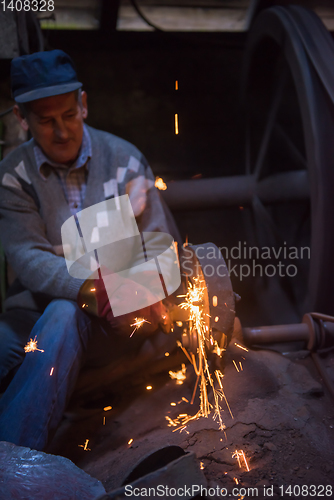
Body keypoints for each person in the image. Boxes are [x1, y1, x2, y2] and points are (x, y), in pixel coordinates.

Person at [0, 50, 178, 450]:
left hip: (120, 319)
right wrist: (92, 286)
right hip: (32, 311)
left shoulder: (126, 161)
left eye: (67, 114)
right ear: (21, 117)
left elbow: (160, 248)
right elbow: (28, 257)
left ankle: (16, 465)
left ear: (83, 103)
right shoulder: (13, 176)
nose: (61, 131)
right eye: (45, 121)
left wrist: (131, 291)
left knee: (64, 315)